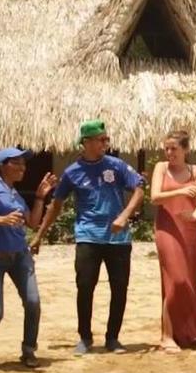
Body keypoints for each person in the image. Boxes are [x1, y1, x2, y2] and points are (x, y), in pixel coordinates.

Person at [30, 120, 144, 355]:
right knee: (84, 286)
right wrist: (39, 235)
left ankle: (113, 338)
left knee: (119, 287)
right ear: (86, 142)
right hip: (88, 236)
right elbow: (56, 206)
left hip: (118, 239)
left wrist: (124, 216)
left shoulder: (117, 165)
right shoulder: (73, 173)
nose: (105, 143)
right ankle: (85, 337)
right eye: (101, 140)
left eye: (106, 139)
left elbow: (139, 190)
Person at [0, 148, 57, 370]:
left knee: (33, 302)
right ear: (2, 164)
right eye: (16, 163)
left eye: (23, 164)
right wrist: (2, 220)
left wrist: (39, 198)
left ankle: (29, 350)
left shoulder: (15, 194)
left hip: (20, 256)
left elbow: (33, 222)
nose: (22, 167)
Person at [150, 131, 196, 353]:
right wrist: (180, 190)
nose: (169, 153)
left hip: (190, 229)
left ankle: (192, 329)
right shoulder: (161, 168)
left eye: (174, 149)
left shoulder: (194, 170)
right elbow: (155, 197)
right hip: (167, 229)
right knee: (176, 280)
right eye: (167, 148)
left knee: (193, 280)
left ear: (186, 150)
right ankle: (167, 335)